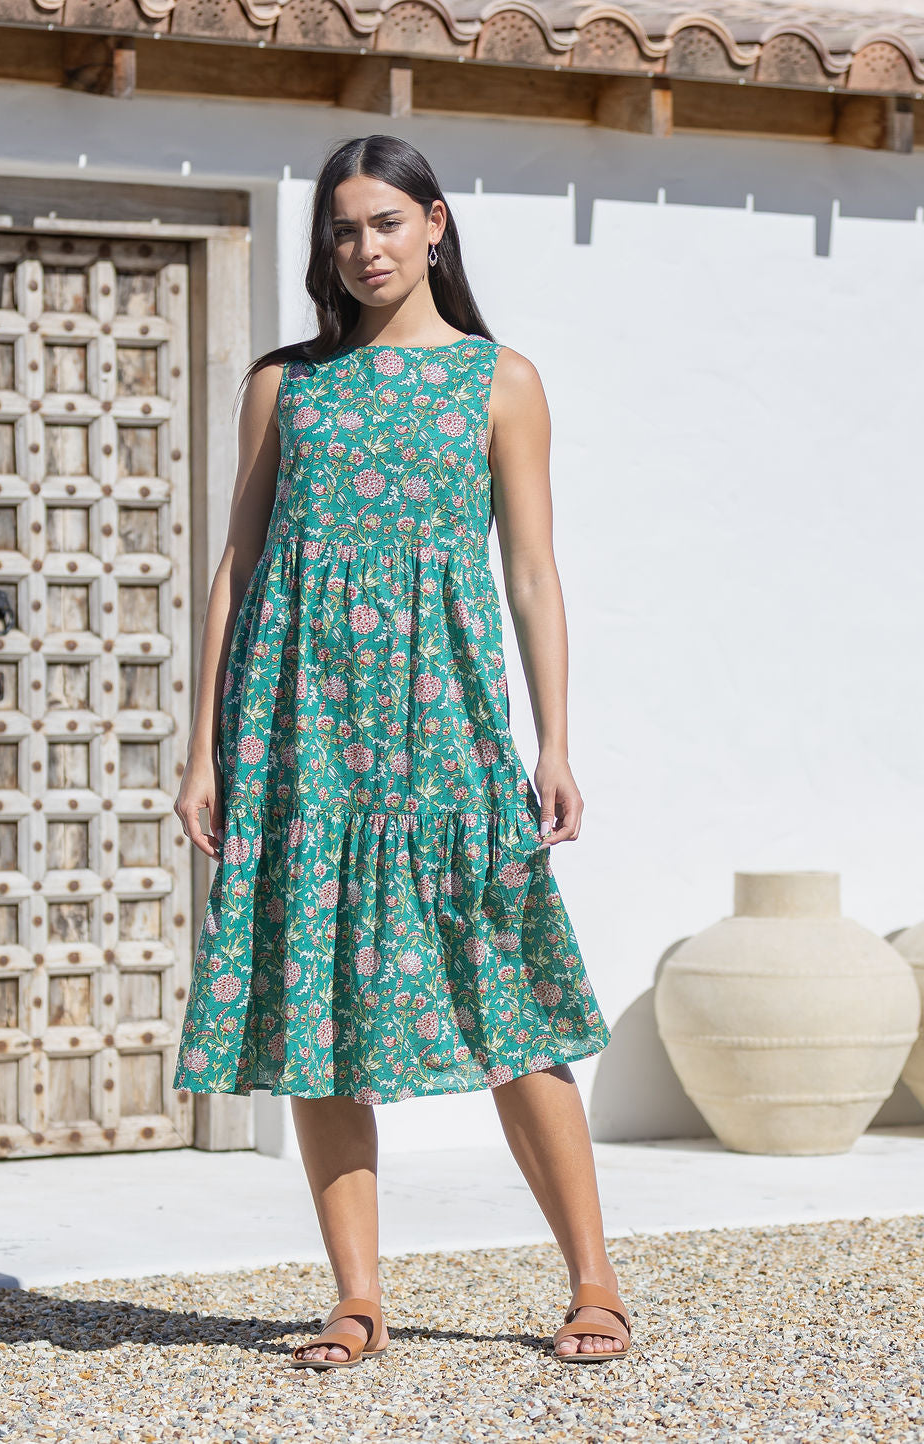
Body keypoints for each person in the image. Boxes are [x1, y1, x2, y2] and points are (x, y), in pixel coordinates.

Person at [172, 133, 632, 1369]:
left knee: (510, 1001)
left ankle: (593, 1278)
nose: (362, 249)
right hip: (298, 729)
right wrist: (205, 744)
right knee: (312, 1005)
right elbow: (239, 569)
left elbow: (531, 575)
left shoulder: (500, 381)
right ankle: (357, 1295)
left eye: (384, 223)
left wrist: (556, 742)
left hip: (447, 728)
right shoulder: (285, 385)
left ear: (435, 225)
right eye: (341, 230)